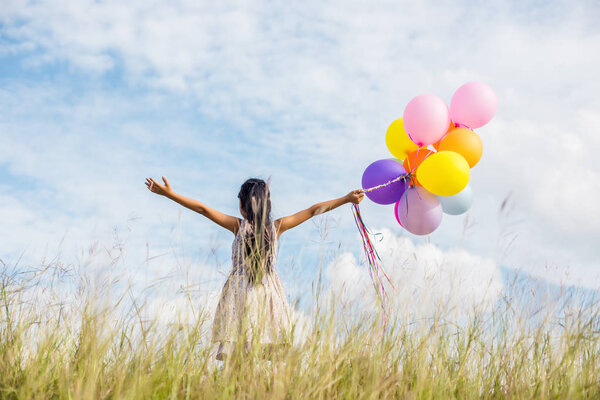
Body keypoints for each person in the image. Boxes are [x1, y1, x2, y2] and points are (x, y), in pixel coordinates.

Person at [145, 176, 364, 361]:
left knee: (237, 358)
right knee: (263, 350)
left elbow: (203, 209)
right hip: (266, 294)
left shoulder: (238, 226)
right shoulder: (277, 227)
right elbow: (313, 210)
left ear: (243, 205)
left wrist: (169, 194)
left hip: (238, 294)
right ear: (267, 204)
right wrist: (346, 199)